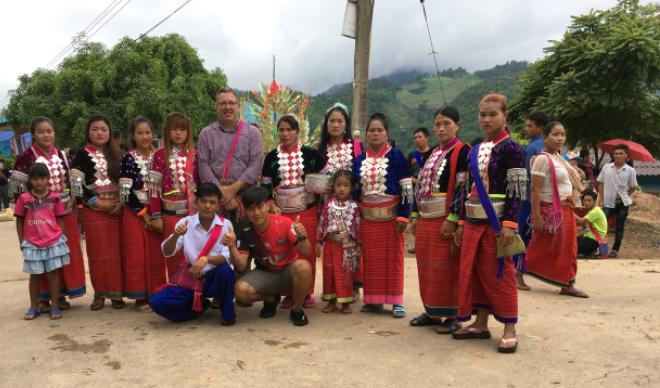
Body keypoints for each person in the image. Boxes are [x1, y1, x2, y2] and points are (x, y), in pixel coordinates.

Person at [452, 94, 526, 353]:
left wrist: (510, 224)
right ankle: (480, 322)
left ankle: (509, 328)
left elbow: (517, 190)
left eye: (492, 114)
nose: (486, 119)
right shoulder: (474, 150)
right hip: (473, 221)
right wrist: (460, 221)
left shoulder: (512, 148)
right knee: (474, 272)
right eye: (482, 114)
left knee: (500, 274)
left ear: (505, 115)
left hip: (497, 224)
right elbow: (468, 189)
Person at [11, 117, 86, 311]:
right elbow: (19, 192)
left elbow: (73, 181)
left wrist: (74, 201)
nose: (46, 135)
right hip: (37, 216)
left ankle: (59, 296)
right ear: (33, 134)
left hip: (63, 212)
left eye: (49, 131)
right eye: (41, 131)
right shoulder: (25, 157)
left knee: (59, 255)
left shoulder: (62, 155)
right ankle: (42, 299)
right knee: (39, 256)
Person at [409, 106, 469, 334]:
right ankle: (433, 312)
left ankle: (454, 314)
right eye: (438, 124)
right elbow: (422, 187)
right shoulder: (433, 152)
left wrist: (454, 218)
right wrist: (415, 215)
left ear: (457, 125)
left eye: (446, 123)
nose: (441, 128)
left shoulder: (462, 151)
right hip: (426, 218)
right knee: (427, 267)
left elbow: (463, 187)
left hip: (445, 218)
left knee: (448, 267)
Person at [149, 183, 236, 325]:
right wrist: (176, 236)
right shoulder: (185, 223)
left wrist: (206, 259)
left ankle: (227, 313)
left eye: (212, 202)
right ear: (196, 202)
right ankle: (197, 308)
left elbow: (228, 257)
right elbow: (167, 252)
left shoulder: (226, 225)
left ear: (218, 205)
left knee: (226, 272)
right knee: (156, 302)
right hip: (192, 278)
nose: (207, 206)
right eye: (203, 201)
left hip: (214, 277)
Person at [353, 113, 412, 319]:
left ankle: (396, 301)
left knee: (393, 259)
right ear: (366, 134)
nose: (375, 133)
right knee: (371, 259)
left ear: (387, 133)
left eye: (380, 130)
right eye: (372, 130)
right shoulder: (360, 160)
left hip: (392, 218)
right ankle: (373, 301)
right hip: (367, 219)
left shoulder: (397, 157)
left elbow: (406, 188)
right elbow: (355, 189)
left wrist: (404, 216)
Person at [262, 115, 323, 309]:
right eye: (281, 130)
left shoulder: (311, 155)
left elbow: (324, 180)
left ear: (297, 132)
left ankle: (306, 293)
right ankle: (288, 293)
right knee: (286, 253)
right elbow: (265, 186)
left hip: (307, 211)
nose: (285, 133)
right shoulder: (271, 157)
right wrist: (271, 203)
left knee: (307, 251)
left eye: (289, 129)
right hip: (281, 214)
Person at [232, 187, 313, 326]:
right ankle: (270, 298)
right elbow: (241, 265)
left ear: (268, 206)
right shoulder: (244, 230)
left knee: (304, 267)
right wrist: (231, 246)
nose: (256, 213)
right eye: (251, 209)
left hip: (288, 272)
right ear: (245, 211)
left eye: (260, 207)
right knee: (240, 291)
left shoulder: (284, 222)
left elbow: (307, 252)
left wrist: (302, 236)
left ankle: (297, 309)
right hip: (265, 273)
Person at [524, 122, 588, 298]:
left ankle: (567, 283)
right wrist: (536, 216)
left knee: (568, 248)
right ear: (545, 137)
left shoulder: (559, 158)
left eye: (562, 134)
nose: (560, 138)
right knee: (552, 247)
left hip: (564, 208)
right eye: (555, 134)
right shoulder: (542, 159)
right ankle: (519, 270)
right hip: (552, 210)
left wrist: (568, 197)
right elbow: (535, 189)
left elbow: (560, 184)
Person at [71, 114, 125, 310]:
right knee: (97, 253)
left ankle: (117, 294)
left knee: (117, 253)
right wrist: (97, 203)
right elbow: (78, 186)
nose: (99, 133)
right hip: (94, 211)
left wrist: (121, 203)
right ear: (88, 132)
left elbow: (126, 180)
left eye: (103, 129)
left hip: (117, 210)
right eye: (95, 129)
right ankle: (100, 294)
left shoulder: (118, 154)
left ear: (109, 132)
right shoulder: (81, 155)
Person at [197, 87, 264, 225]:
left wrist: (232, 190)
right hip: (214, 201)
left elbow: (256, 165)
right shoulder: (206, 134)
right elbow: (203, 165)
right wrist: (221, 193)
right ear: (216, 107)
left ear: (238, 106)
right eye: (222, 103)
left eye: (231, 103)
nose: (227, 107)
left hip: (244, 199)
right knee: (214, 243)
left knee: (242, 243)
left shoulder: (252, 133)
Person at [119, 116, 166, 311]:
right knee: (136, 254)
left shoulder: (160, 157)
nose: (145, 136)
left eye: (148, 132)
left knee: (156, 254)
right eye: (140, 133)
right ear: (133, 136)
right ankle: (140, 297)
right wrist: (145, 214)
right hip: (135, 213)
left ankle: (156, 293)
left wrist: (157, 214)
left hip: (157, 211)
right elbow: (126, 192)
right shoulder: (128, 159)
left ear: (153, 134)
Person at [317, 102, 363, 300]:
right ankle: (333, 289)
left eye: (339, 121)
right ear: (326, 124)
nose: (335, 124)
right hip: (328, 204)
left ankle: (352, 286)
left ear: (346, 124)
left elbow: (361, 173)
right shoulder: (319, 150)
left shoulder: (356, 146)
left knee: (352, 245)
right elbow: (313, 177)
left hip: (352, 206)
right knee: (333, 249)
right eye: (332, 121)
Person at [16, 163, 71, 320]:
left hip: (53, 242)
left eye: (42, 178)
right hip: (32, 243)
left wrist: (63, 239)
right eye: (35, 179)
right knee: (35, 276)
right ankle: (34, 307)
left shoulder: (55, 198)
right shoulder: (24, 198)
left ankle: (54, 307)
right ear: (30, 181)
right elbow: (19, 221)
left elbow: (60, 220)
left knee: (53, 275)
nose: (39, 182)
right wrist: (21, 240)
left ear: (48, 179)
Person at [148, 113, 198, 279]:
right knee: (174, 255)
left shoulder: (194, 155)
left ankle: (193, 295)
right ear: (167, 131)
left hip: (192, 215)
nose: (178, 133)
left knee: (192, 254)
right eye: (174, 129)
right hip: (170, 215)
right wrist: (156, 216)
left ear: (188, 132)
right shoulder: (160, 155)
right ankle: (175, 292)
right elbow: (154, 188)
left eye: (182, 129)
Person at [316, 169, 361, 314]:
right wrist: (318, 241)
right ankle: (331, 301)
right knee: (329, 271)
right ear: (333, 187)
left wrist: (359, 244)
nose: (342, 188)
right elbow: (323, 221)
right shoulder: (328, 204)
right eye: (338, 185)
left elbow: (358, 226)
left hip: (347, 246)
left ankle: (346, 302)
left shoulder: (354, 206)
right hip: (330, 244)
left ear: (352, 187)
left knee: (345, 273)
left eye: (346, 185)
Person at [515, 111, 549, 291]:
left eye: (529, 126)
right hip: (543, 199)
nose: (525, 129)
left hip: (529, 199)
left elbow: (526, 177)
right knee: (528, 236)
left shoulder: (531, 148)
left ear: (540, 129)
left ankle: (519, 271)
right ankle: (519, 272)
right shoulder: (544, 148)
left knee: (524, 235)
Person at [597, 144, 638, 258]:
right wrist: (601, 199)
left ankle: (615, 250)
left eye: (621, 153)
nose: (618, 155)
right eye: (616, 153)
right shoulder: (606, 167)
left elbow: (633, 187)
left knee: (619, 227)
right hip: (608, 203)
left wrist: (624, 196)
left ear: (626, 155)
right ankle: (597, 247)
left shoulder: (630, 170)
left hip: (623, 203)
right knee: (601, 225)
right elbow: (601, 184)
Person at [575, 191, 608, 257]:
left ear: (595, 201)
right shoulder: (593, 210)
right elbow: (585, 227)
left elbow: (580, 221)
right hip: (592, 238)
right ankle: (589, 251)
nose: (586, 203)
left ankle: (588, 251)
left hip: (594, 239)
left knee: (570, 246)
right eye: (584, 200)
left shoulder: (595, 211)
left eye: (589, 200)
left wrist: (568, 211)